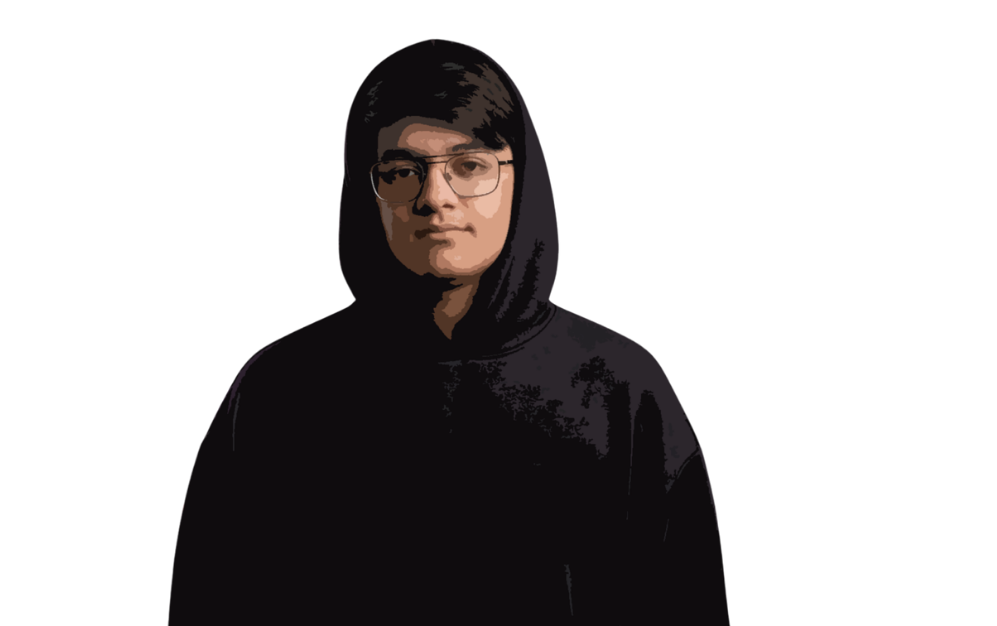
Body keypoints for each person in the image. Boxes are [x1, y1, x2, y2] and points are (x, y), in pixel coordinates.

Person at [166, 39, 729, 625]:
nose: (434, 198)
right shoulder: (279, 390)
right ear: (365, 193)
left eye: (470, 166)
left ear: (521, 180)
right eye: (401, 172)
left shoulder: (622, 389)